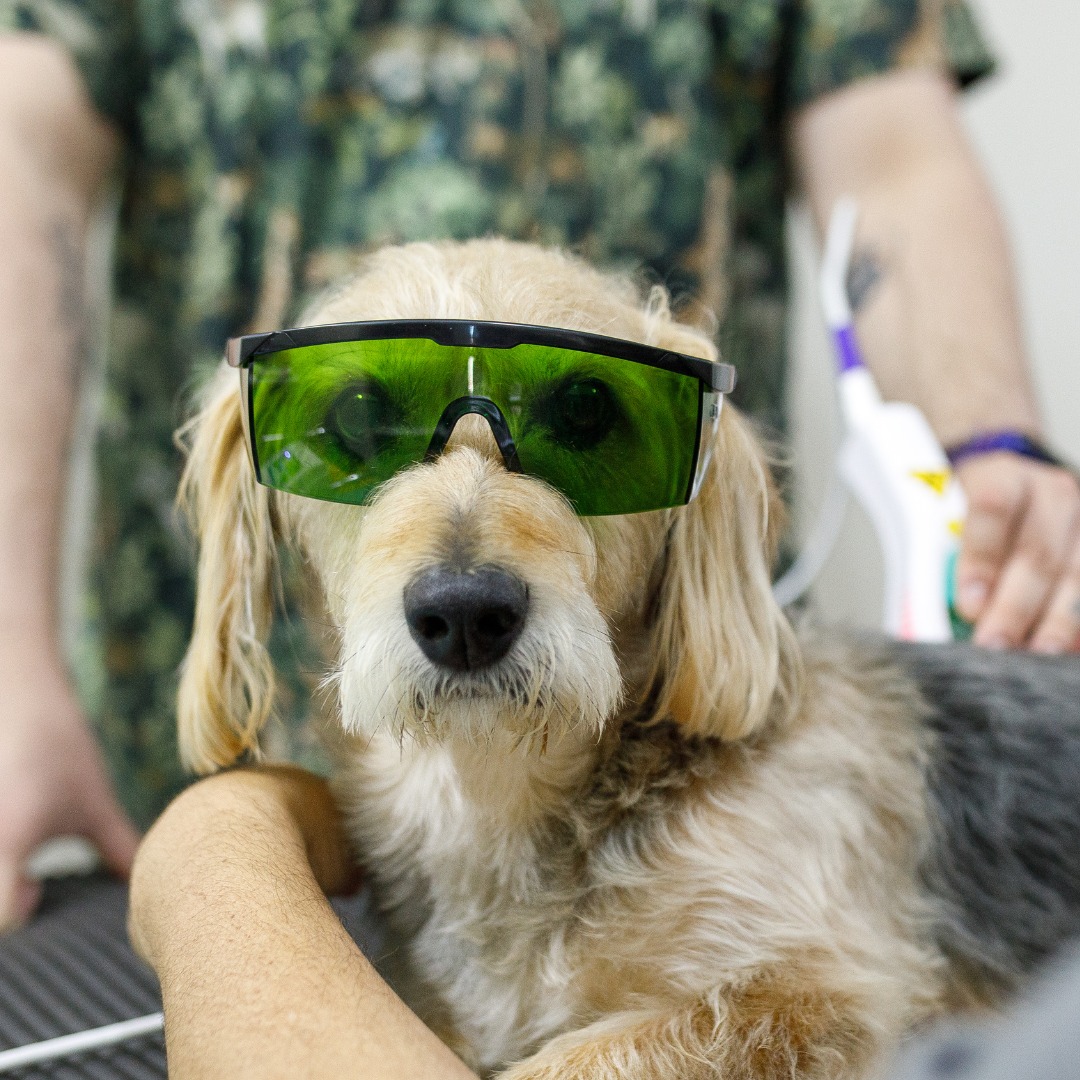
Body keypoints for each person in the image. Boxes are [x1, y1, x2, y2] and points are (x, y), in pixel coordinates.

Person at [0, 0, 1078, 936]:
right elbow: (24, 155)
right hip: (233, 746)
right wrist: (8, 655)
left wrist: (992, 446)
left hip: (661, 727)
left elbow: (892, 164)